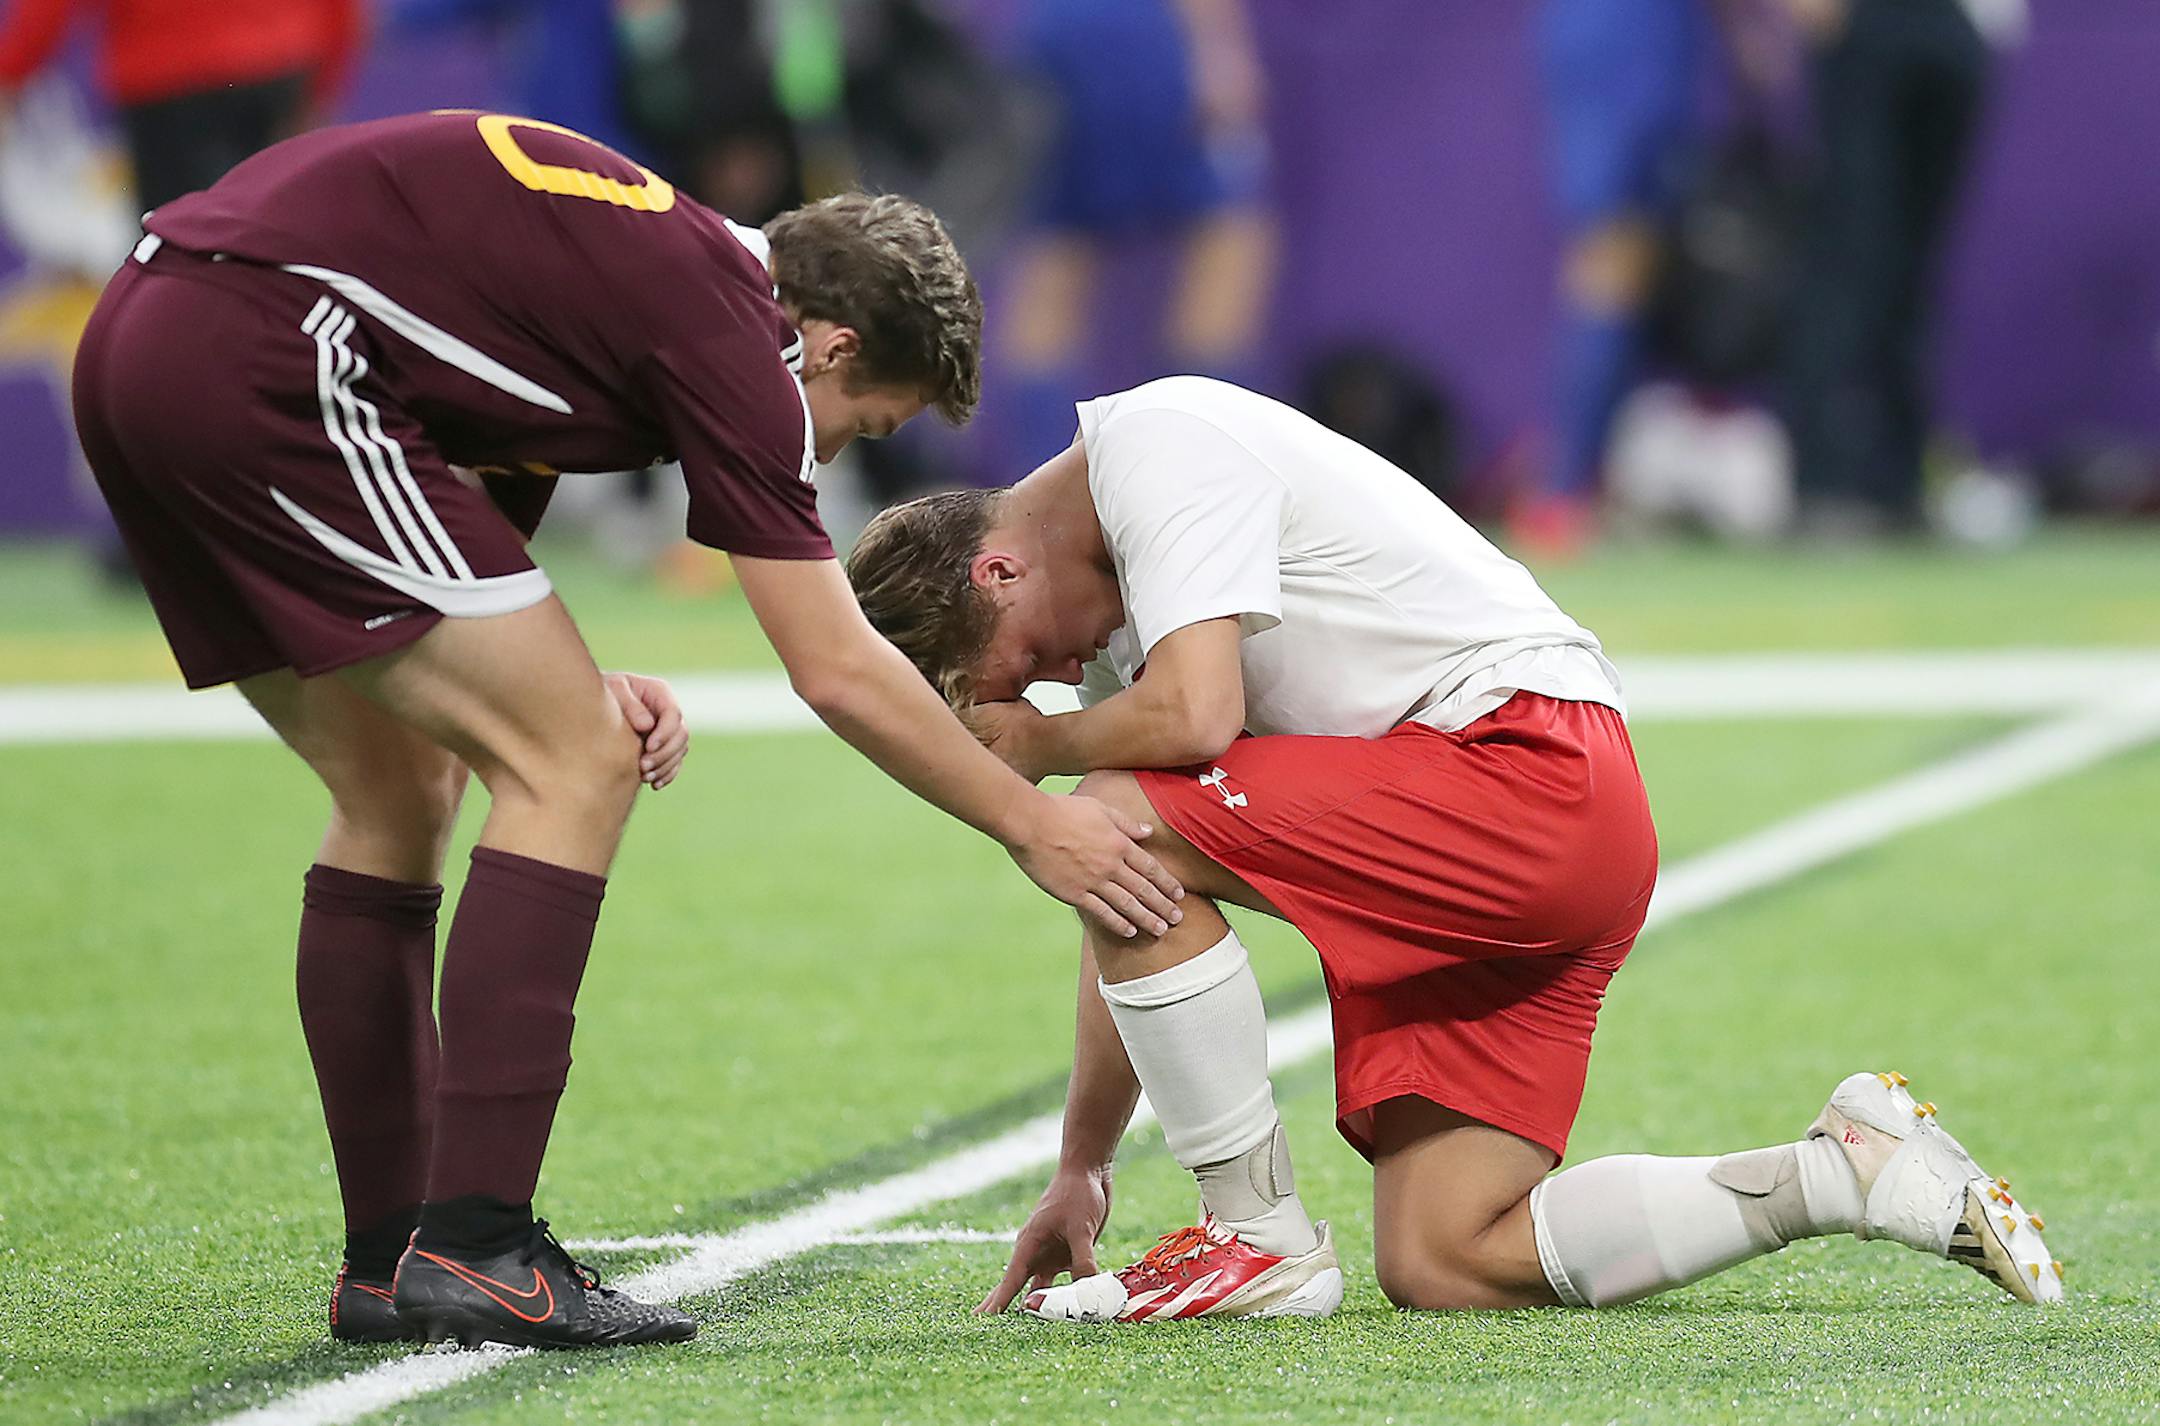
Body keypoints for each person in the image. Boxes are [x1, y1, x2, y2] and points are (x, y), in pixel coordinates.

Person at [71, 110, 1184, 1350]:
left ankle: (392, 1258)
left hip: (153, 333)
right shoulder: (738, 332)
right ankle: (482, 1243)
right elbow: (835, 670)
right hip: (271, 354)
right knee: (575, 761)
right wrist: (1034, 826)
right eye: (862, 421)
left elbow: (468, 510)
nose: (830, 453)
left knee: (406, 790)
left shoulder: (642, 269)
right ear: (831, 343)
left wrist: (570, 674)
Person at [846, 375, 2063, 1321]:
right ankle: (1842, 1171)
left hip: (1524, 775)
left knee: (1107, 797)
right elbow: (1118, 888)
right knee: (1448, 1254)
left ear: (999, 571)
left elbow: (1188, 733)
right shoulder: (1123, 621)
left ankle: (1252, 1238)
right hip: (1523, 834)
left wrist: (1037, 745)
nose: (1054, 685)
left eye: (1017, 672)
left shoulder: (1157, 445)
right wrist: (1084, 1163)